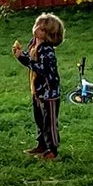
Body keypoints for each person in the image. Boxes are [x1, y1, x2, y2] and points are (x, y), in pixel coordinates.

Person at [14, 13, 66, 160]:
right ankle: (41, 144)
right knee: (39, 119)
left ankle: (52, 149)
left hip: (49, 92)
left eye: (42, 30)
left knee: (49, 121)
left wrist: (25, 59)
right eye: (37, 26)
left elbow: (43, 69)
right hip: (37, 90)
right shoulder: (34, 43)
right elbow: (31, 62)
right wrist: (21, 56)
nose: (36, 30)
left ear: (49, 35)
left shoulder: (47, 50)